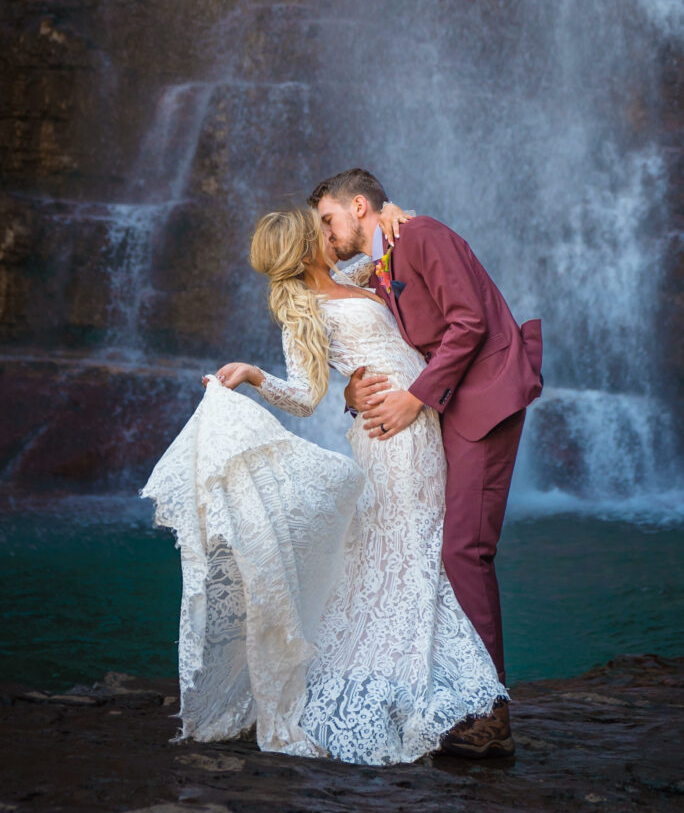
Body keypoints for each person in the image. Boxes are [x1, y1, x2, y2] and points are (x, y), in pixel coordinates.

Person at [141, 207, 508, 766]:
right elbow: (308, 397)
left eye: (327, 222)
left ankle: (458, 696)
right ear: (304, 247)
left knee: (419, 550)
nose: (327, 232)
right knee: (416, 548)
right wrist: (258, 377)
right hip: (392, 438)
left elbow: (381, 243)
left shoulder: (358, 276)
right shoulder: (303, 311)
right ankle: (447, 696)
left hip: (419, 422)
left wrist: (394, 212)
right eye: (318, 230)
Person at [308, 168, 543, 756]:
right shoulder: (385, 254)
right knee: (452, 547)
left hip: (483, 397)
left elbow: (470, 322)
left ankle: (488, 714)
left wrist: (415, 398)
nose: (327, 235)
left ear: (358, 206)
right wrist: (349, 393)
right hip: (453, 404)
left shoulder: (421, 236)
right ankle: (461, 694)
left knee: (465, 548)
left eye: (329, 220)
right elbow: (380, 340)